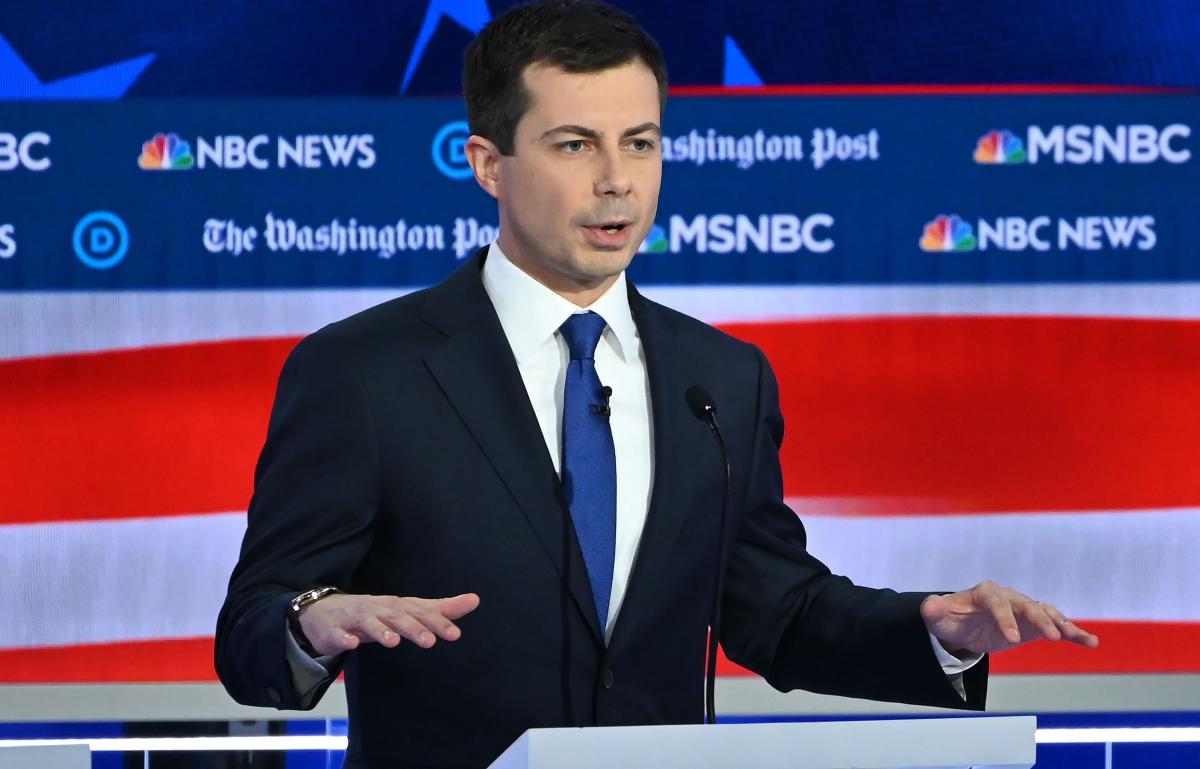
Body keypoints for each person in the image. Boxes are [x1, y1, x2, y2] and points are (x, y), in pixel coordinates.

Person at [215, 2, 1098, 767]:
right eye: (575, 145)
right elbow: (252, 635)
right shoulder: (365, 372)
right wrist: (310, 620)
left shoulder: (720, 378)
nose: (617, 180)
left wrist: (932, 630)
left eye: (640, 143)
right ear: (487, 163)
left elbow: (773, 610)